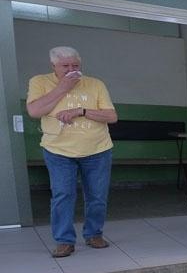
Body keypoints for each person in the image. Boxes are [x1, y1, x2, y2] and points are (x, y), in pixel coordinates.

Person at [26, 46, 119, 258]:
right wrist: (63, 88)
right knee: (63, 195)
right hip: (58, 150)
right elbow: (34, 111)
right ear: (53, 66)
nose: (71, 70)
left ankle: (94, 234)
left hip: (98, 150)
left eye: (75, 65)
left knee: (97, 196)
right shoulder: (39, 82)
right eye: (65, 66)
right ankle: (64, 241)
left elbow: (111, 116)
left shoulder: (95, 84)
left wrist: (81, 111)